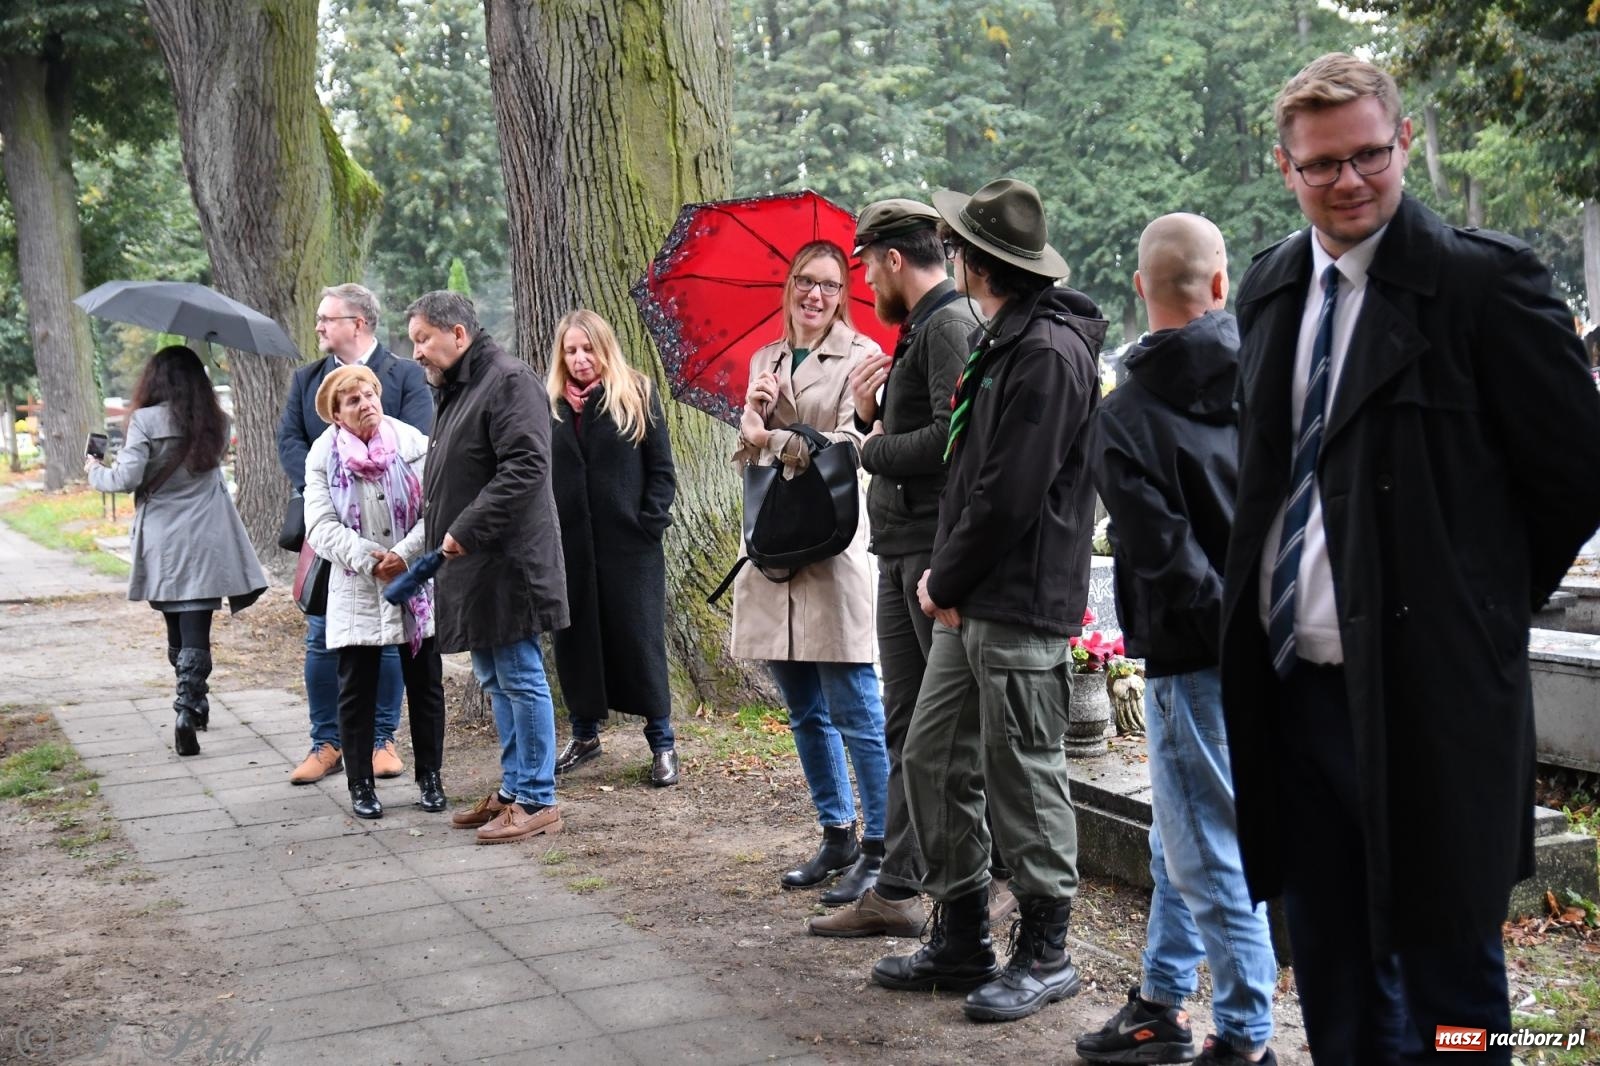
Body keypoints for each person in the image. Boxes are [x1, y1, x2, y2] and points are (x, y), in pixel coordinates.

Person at [1221, 53, 1600, 1064]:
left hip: (1429, 700)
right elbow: (1263, 484)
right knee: (1336, 973)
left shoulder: (1482, 284)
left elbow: (1574, 473)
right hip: (1295, 695)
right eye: (1320, 165)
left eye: (1369, 156)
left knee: (1453, 987)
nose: (1349, 181)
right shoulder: (1266, 290)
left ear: (1402, 143)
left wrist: (1470, 606)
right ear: (1283, 164)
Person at [872, 178, 1106, 1025]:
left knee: (1021, 770)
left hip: (1014, 599)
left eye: (959, 244)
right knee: (935, 755)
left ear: (977, 260)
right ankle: (961, 929)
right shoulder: (1006, 339)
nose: (952, 255)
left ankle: (1047, 950)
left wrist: (945, 579)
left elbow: (1010, 495)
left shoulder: (1046, 351)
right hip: (973, 597)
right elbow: (973, 476)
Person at [1078, 214, 1278, 1065]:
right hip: (1271, 647)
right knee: (1182, 836)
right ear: (1222, 285)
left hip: (1194, 656)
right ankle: (1161, 1000)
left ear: (1139, 289)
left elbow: (1167, 558)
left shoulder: (1123, 418)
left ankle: (1245, 1037)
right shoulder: (1268, 383)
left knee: (1212, 853)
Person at [808, 200, 980, 937]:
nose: (863, 279)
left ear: (892, 259)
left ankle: (956, 888)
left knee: (937, 732)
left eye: (864, 263)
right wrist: (875, 409)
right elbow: (921, 426)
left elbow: (954, 438)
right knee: (904, 723)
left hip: (928, 552)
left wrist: (864, 442)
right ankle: (900, 886)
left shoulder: (947, 323)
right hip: (901, 545)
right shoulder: (922, 326)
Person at [731, 240, 890, 902]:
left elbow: (858, 447)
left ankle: (884, 846)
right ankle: (836, 833)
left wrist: (778, 439)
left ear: (843, 293)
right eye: (803, 281)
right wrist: (753, 419)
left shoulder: (861, 359)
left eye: (827, 284)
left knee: (854, 705)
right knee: (801, 706)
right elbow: (746, 457)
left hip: (831, 549)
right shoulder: (765, 359)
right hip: (773, 552)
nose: (813, 294)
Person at [408, 290, 569, 844]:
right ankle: (514, 785)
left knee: (520, 677)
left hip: (507, 561)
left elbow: (526, 466)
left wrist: (464, 528)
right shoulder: (457, 386)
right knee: (495, 678)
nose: (417, 353)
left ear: (458, 334)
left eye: (423, 339)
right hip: (474, 563)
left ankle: (539, 797)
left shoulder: (507, 379)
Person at [277, 283, 433, 786]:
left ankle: (381, 740)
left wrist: (396, 544)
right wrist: (326, 482)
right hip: (335, 537)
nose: (319, 326)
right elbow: (291, 441)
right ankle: (327, 742)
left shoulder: (405, 375)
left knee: (391, 641)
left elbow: (417, 443)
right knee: (323, 637)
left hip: (402, 535)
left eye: (328, 318)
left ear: (359, 322)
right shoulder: (308, 380)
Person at [86, 345, 267, 757]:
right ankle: (190, 707)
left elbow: (126, 478)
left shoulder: (145, 421)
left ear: (154, 380)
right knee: (196, 627)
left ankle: (190, 703)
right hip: (208, 537)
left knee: (175, 626)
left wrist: (94, 469)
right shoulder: (219, 422)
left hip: (165, 541)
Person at [303, 365, 447, 820]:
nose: (366, 404)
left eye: (370, 395)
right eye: (353, 400)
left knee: (425, 685)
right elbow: (320, 526)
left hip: (413, 581)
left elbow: (437, 507)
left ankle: (431, 778)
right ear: (336, 414)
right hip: (355, 587)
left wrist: (403, 555)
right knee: (356, 691)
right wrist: (369, 557)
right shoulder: (322, 455)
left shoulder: (412, 443)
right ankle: (360, 784)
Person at [546, 309, 680, 787]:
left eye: (588, 348)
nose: (580, 359)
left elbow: (662, 471)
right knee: (576, 640)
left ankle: (662, 742)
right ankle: (584, 735)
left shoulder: (636, 393)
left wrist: (649, 523)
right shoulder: (554, 406)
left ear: (605, 348)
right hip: (572, 549)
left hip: (631, 548)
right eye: (571, 350)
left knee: (639, 640)